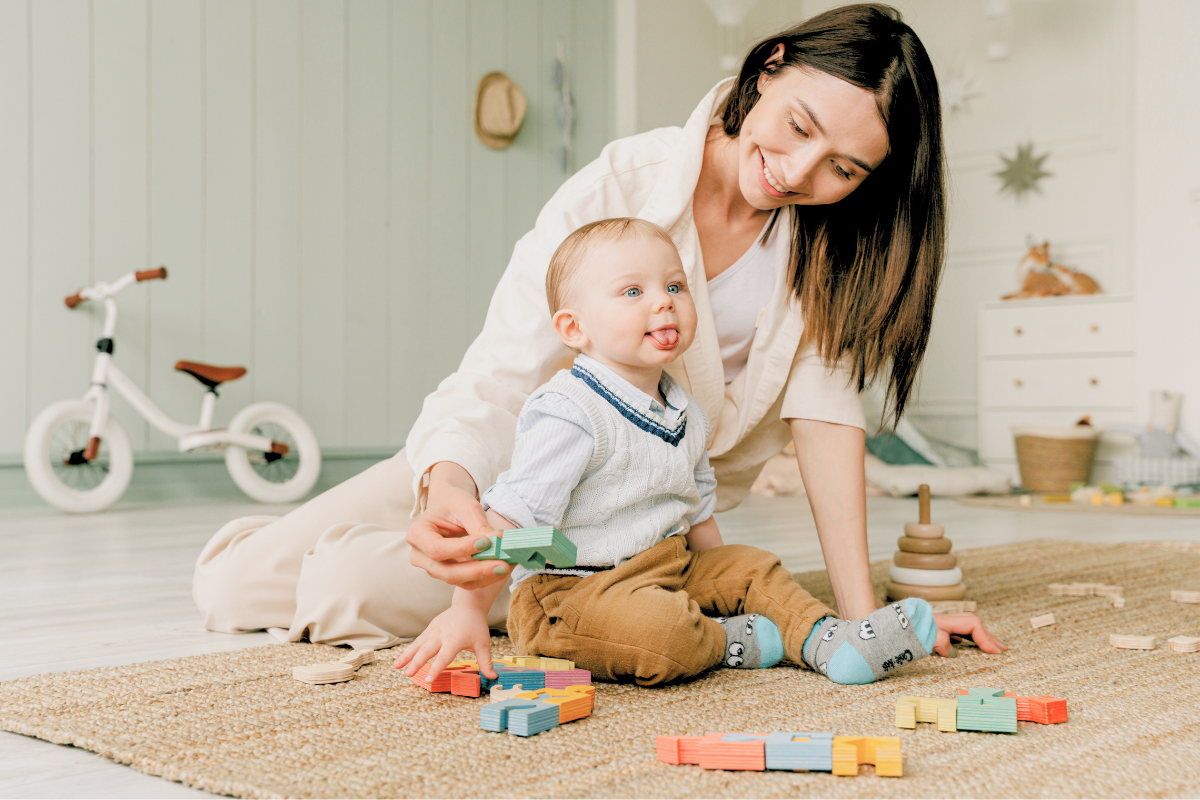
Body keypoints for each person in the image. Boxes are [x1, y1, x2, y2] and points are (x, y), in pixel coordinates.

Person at [193, 4, 1004, 657]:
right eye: (798, 126)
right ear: (770, 66)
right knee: (230, 587)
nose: (798, 172)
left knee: (343, 586)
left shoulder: (829, 251)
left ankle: (576, 599)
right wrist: (447, 489)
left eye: (843, 168)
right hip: (513, 462)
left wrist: (864, 622)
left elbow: (826, 425)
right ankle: (428, 555)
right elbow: (501, 372)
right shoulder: (625, 184)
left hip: (630, 526)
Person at [396, 217, 943, 687]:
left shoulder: (683, 408)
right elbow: (514, 522)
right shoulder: (570, 411)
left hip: (664, 565)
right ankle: (724, 640)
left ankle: (833, 643)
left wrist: (724, 582)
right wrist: (465, 611)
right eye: (633, 292)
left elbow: (696, 506)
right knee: (663, 633)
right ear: (574, 327)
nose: (664, 301)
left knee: (755, 568)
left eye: (676, 287)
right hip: (571, 595)